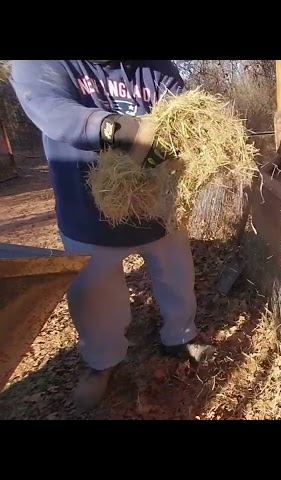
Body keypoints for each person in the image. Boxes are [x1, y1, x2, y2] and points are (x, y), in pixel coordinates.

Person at [10, 60, 214, 412]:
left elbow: (183, 104)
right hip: (90, 207)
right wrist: (110, 126)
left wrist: (190, 133)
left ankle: (180, 336)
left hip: (157, 204)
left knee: (177, 275)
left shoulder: (155, 65)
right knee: (96, 295)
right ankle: (102, 360)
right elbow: (49, 106)